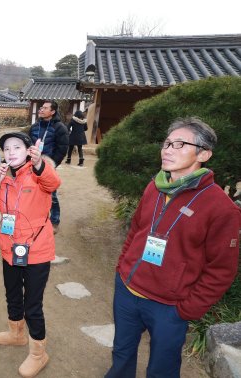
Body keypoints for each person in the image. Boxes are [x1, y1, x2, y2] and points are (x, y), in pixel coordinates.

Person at [105, 117, 241, 378]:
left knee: (162, 368)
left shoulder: (221, 209)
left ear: (204, 154)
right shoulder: (154, 187)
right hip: (127, 290)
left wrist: (187, 309)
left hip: (169, 305)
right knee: (121, 352)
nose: (167, 149)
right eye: (167, 143)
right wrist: (122, 267)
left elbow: (222, 270)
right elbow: (136, 230)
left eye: (179, 144)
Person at [0, 132, 61, 378]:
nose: (11, 152)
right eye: (6, 149)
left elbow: (53, 184)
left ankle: (39, 353)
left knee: (32, 305)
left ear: (29, 151)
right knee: (12, 294)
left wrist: (40, 164)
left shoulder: (38, 175)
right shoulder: (5, 179)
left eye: (17, 147)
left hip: (36, 250)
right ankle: (17, 334)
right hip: (10, 248)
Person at [25, 100, 68, 233]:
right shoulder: (35, 126)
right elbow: (27, 143)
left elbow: (62, 148)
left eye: (45, 108)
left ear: (53, 111)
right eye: (41, 108)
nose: (41, 110)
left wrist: (51, 164)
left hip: (47, 166)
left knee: (51, 194)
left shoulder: (60, 127)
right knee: (31, 192)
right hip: (31, 165)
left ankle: (54, 221)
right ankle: (34, 218)